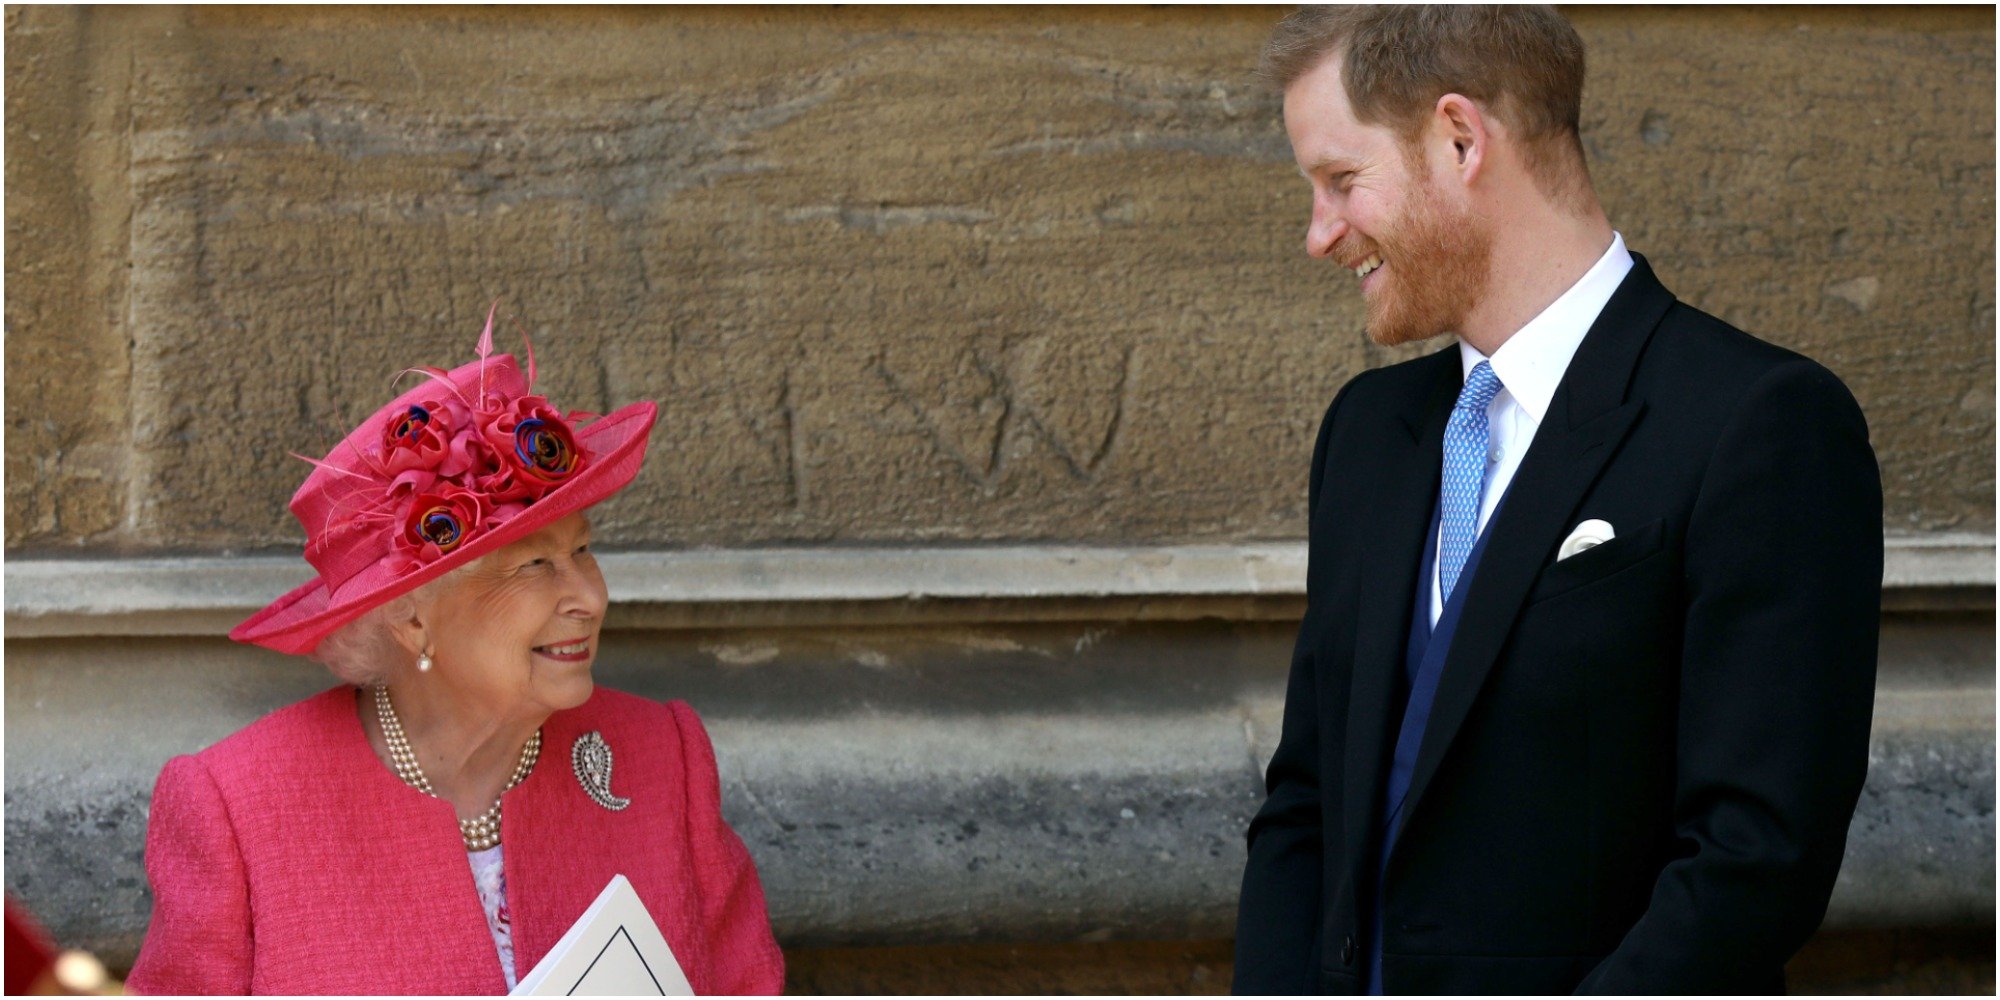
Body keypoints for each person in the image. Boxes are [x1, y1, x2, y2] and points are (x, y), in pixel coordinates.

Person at [1232, 7, 1882, 994]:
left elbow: (1754, 857)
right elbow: (1307, 802)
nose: (1318, 235)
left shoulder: (1757, 423)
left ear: (1458, 140)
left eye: (1340, 181)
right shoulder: (1369, 433)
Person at [127, 314, 785, 995]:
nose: (589, 597)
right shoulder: (236, 808)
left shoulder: (661, 758)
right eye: (534, 564)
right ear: (412, 616)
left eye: (582, 550)